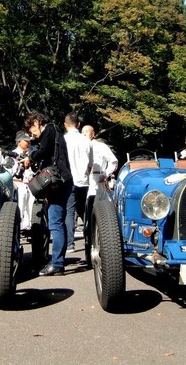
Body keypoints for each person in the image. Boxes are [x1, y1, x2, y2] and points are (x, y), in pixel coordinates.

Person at [23, 111, 72, 276]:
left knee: (55, 222)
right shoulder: (55, 131)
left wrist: (31, 156)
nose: (32, 134)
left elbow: (43, 151)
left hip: (58, 182)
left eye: (31, 129)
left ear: (37, 121)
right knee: (58, 222)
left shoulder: (49, 130)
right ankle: (58, 262)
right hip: (63, 180)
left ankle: (57, 264)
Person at [63, 113, 93, 253]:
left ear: (65, 125)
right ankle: (91, 239)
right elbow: (91, 163)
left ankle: (70, 244)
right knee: (84, 210)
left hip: (69, 179)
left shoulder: (64, 139)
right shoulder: (86, 140)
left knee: (69, 211)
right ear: (79, 125)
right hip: (83, 179)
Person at [82, 124, 118, 237]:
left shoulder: (100, 146)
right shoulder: (78, 147)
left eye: (87, 131)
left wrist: (106, 173)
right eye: (82, 132)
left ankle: (101, 232)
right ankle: (86, 231)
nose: (84, 134)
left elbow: (113, 161)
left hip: (98, 179)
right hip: (82, 179)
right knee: (84, 207)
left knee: (97, 204)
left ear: (93, 134)